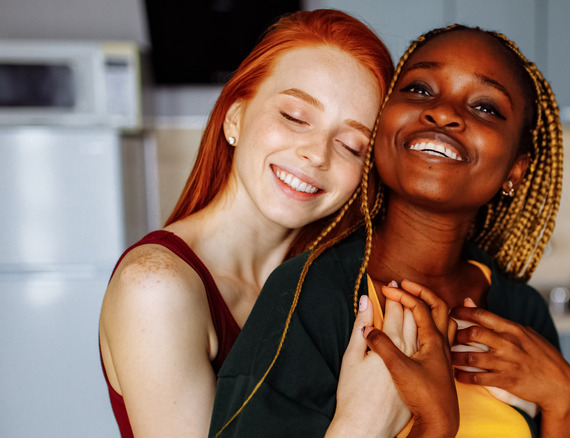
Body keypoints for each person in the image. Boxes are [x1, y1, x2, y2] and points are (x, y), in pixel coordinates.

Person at [210, 24, 570, 438]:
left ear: (515, 170)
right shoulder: (311, 296)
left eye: (486, 107)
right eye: (420, 89)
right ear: (381, 127)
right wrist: (435, 423)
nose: (442, 112)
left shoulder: (520, 311)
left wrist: (565, 402)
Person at [97, 9, 396, 437]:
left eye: (352, 145)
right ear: (235, 118)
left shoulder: (330, 286)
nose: (317, 154)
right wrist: (365, 425)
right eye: (294, 117)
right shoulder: (156, 286)